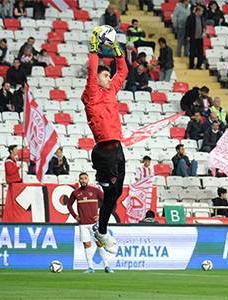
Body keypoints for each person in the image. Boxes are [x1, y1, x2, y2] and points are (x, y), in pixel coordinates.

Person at [81, 38, 128, 254]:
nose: (110, 79)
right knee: (110, 196)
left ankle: (101, 230)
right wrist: (94, 50)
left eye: (110, 75)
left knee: (116, 193)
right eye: (106, 75)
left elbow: (123, 72)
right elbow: (92, 71)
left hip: (118, 149)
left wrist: (117, 51)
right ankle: (101, 231)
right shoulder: (91, 94)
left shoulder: (111, 91)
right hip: (103, 153)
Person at [64, 173, 115, 273]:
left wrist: (100, 215)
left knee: (99, 243)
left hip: (94, 224)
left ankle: (107, 266)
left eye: (85, 178)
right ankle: (91, 267)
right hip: (83, 223)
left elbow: (106, 202)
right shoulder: (75, 193)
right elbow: (69, 205)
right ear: (79, 180)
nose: (83, 180)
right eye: (81, 179)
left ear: (88, 180)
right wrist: (75, 216)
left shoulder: (95, 191)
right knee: (87, 244)